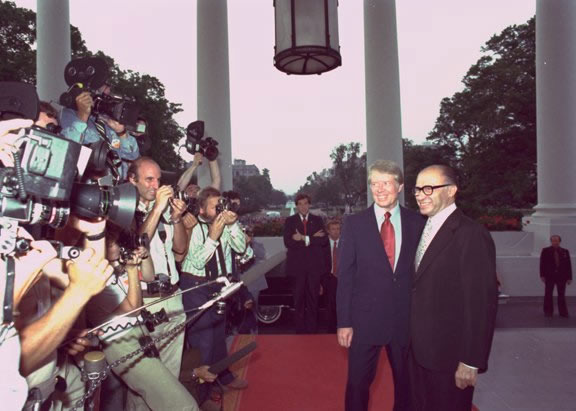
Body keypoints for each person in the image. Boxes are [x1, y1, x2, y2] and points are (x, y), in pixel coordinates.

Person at [336, 160, 425, 411]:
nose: (380, 189)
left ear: (400, 187)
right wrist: (344, 321)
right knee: (356, 386)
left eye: (386, 183)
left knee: (407, 388)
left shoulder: (417, 223)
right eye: (375, 183)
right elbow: (346, 276)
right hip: (364, 321)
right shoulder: (354, 224)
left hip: (405, 320)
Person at [409, 165, 498, 411]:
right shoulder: (421, 228)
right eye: (417, 189)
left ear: (451, 191)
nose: (419, 194)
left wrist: (471, 361)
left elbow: (481, 303)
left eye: (428, 188)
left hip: (449, 358)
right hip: (417, 354)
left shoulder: (471, 234)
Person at [126, 156, 191, 410]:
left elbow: (180, 250)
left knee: (170, 378)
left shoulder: (163, 210)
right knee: (148, 380)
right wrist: (157, 209)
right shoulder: (126, 211)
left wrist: (175, 218)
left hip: (173, 297)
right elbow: (136, 244)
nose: (155, 185)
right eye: (149, 179)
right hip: (146, 302)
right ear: (132, 180)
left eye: (159, 179)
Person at [180, 187, 248, 409]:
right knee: (204, 343)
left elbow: (240, 247)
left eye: (222, 205)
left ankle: (224, 377)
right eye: (214, 206)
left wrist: (233, 223)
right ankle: (202, 395)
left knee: (219, 336)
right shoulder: (194, 227)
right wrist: (213, 237)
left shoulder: (224, 223)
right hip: (196, 286)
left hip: (219, 285)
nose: (220, 209)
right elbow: (197, 261)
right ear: (202, 209)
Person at [284, 193, 328, 334]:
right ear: (296, 206)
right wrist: (311, 239)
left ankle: (312, 333)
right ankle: (300, 333)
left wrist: (302, 238)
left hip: (314, 269)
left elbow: (323, 241)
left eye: (305, 203)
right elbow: (289, 242)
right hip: (296, 270)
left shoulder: (317, 220)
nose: (303, 206)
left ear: (309, 204)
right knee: (298, 302)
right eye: (300, 204)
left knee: (313, 302)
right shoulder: (290, 221)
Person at [540, 235, 572, 317]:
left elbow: (568, 265)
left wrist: (569, 277)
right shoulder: (545, 251)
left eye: (556, 240)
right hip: (549, 276)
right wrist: (542, 275)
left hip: (562, 276)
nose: (555, 242)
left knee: (561, 295)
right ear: (551, 241)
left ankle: (563, 312)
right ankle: (548, 311)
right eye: (553, 240)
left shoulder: (565, 251)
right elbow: (542, 264)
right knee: (548, 294)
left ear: (559, 241)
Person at [323, 219, 341, 334]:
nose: (336, 232)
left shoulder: (346, 243)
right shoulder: (322, 245)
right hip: (328, 278)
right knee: (329, 306)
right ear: (328, 231)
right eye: (333, 229)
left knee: (342, 305)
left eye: (338, 229)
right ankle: (330, 332)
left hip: (342, 278)